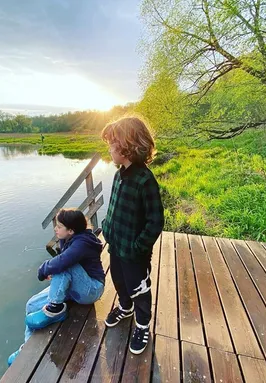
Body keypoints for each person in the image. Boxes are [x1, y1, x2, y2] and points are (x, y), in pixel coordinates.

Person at [7, 208, 105, 366]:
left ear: (71, 230)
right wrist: (55, 273)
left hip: (91, 289)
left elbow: (63, 262)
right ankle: (27, 347)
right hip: (75, 287)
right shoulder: (67, 239)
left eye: (59, 226)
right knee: (31, 304)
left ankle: (55, 309)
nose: (55, 229)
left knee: (62, 264)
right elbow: (63, 262)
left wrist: (43, 270)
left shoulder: (82, 243)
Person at [101, 116, 164, 355]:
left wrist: (139, 247)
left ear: (127, 146)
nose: (109, 148)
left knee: (139, 288)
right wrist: (107, 227)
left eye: (112, 143)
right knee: (119, 281)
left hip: (134, 253)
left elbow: (155, 220)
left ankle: (142, 323)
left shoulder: (145, 180)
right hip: (116, 247)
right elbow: (114, 207)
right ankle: (125, 307)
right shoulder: (119, 175)